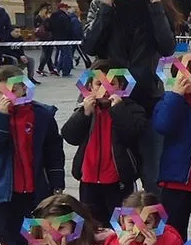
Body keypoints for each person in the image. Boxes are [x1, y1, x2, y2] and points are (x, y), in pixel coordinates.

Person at [83, 0, 178, 197]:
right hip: (109, 97)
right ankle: (121, 230)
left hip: (148, 96)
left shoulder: (156, 3)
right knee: (116, 170)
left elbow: (167, 47)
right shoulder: (101, 3)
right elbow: (90, 46)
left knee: (154, 173)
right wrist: (104, 8)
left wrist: (156, 9)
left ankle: (155, 225)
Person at [0, 64, 66, 245]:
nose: (4, 96)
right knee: (4, 228)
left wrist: (57, 182)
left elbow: (54, 149)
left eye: (9, 91)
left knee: (37, 229)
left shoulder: (42, 114)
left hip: (37, 185)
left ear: (22, 88)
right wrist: (1, 116)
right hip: (6, 187)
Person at [61, 59, 147, 225]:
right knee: (93, 226)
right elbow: (70, 136)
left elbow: (132, 134)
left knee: (120, 225)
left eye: (111, 84)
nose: (105, 89)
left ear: (121, 86)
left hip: (118, 181)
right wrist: (84, 113)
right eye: (99, 83)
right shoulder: (86, 109)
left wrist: (119, 109)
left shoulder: (130, 108)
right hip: (89, 181)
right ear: (90, 87)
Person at [153, 64, 191, 239]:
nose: (185, 78)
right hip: (174, 182)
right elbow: (161, 125)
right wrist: (175, 97)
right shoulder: (169, 100)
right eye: (180, 74)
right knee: (173, 236)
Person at [49, 2, 74, 77]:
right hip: (65, 39)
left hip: (56, 38)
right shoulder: (64, 16)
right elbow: (68, 28)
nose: (67, 10)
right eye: (66, 8)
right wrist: (71, 37)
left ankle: (57, 69)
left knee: (62, 54)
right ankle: (66, 72)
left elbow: (50, 27)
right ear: (62, 8)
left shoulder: (53, 16)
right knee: (67, 55)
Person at [34, 6, 57, 77]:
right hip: (48, 38)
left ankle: (51, 69)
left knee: (47, 54)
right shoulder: (47, 20)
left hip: (44, 38)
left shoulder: (42, 19)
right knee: (47, 54)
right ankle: (40, 68)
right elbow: (48, 28)